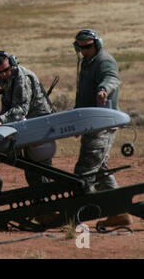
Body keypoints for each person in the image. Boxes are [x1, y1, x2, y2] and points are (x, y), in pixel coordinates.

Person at [73, 28, 133, 227]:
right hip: (92, 122)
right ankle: (119, 212)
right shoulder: (87, 62)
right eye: (81, 47)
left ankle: (82, 214)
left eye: (88, 47)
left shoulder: (104, 60)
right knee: (100, 169)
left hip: (102, 124)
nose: (84, 51)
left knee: (85, 171)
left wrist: (103, 90)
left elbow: (112, 78)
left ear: (97, 44)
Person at [0, 50, 55, 187]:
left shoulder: (22, 78)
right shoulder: (5, 79)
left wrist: (1, 120)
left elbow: (21, 108)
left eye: (6, 70)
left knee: (39, 166)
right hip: (26, 122)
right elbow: (7, 105)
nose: (3, 74)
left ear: (12, 63)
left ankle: (46, 200)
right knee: (31, 170)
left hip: (40, 122)